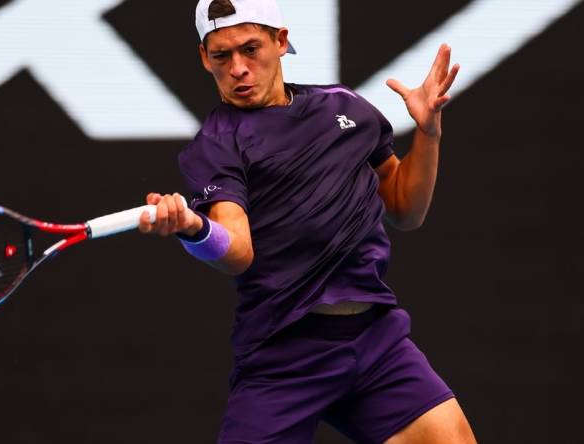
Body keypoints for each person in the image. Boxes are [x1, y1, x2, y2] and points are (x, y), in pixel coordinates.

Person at [138, 0, 476, 442]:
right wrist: (194, 228)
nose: (238, 68)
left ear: (281, 42)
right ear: (205, 58)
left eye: (250, 49)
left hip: (375, 341)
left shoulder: (345, 108)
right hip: (285, 355)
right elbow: (237, 250)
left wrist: (429, 134)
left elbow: (404, 208)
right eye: (221, 56)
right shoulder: (217, 145)